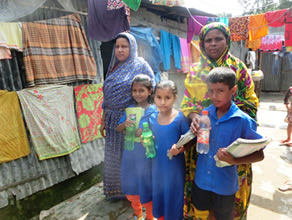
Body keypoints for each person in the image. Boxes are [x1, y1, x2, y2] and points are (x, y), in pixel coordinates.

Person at [180, 22, 259, 220]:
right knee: (203, 192)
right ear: (202, 43)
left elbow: (251, 104)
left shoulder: (239, 69)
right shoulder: (195, 71)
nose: (213, 44)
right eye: (208, 40)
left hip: (230, 142)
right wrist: (195, 116)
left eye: (218, 39)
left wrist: (225, 111)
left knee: (226, 197)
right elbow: (187, 103)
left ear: (228, 40)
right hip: (202, 140)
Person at [191, 67, 264, 220]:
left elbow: (259, 154)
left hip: (224, 184)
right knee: (207, 213)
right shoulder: (205, 114)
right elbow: (193, 138)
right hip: (202, 179)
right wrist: (193, 130)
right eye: (210, 91)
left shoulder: (242, 121)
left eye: (220, 91)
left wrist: (234, 160)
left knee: (224, 216)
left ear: (233, 90)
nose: (214, 96)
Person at [100, 32, 155, 199]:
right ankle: (115, 192)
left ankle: (133, 193)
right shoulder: (113, 67)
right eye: (117, 47)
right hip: (111, 121)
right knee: (113, 158)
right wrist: (102, 120)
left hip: (130, 119)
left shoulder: (140, 65)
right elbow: (107, 96)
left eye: (124, 46)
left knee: (130, 158)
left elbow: (151, 88)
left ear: (132, 47)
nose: (120, 50)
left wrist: (148, 118)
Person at [146, 80, 190, 220]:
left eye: (167, 97)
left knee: (174, 199)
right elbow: (151, 139)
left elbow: (189, 142)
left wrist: (180, 149)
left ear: (175, 98)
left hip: (174, 170)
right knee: (160, 196)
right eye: (159, 97)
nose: (162, 102)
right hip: (157, 168)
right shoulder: (152, 118)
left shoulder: (180, 119)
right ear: (154, 97)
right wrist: (145, 141)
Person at [116, 74, 155, 220]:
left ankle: (150, 216)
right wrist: (124, 124)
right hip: (130, 153)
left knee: (146, 184)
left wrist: (132, 131)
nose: (137, 94)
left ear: (150, 91)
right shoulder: (130, 109)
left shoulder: (152, 110)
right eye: (134, 90)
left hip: (145, 154)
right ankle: (138, 213)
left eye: (141, 90)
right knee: (130, 182)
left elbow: (139, 132)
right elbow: (119, 129)